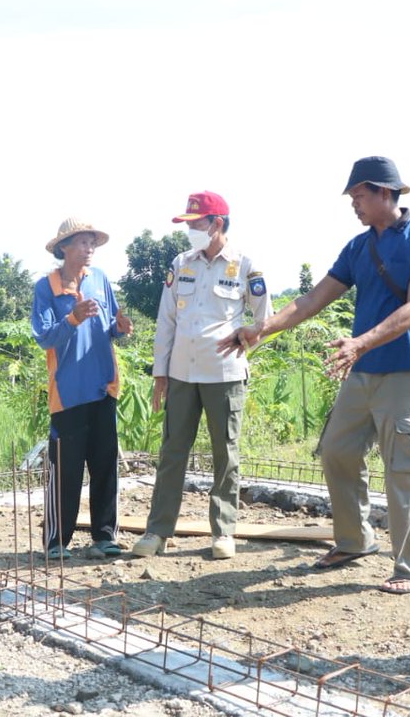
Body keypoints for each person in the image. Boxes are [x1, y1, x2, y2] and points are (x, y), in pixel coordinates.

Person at [219, 157, 410, 594]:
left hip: (405, 370)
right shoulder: (359, 248)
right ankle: (355, 540)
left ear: (384, 192)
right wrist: (259, 329)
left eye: (359, 195)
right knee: (337, 451)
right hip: (362, 372)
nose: (354, 204)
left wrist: (361, 342)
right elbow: (310, 302)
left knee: (405, 469)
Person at [131, 191, 271, 560]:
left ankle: (223, 532)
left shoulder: (245, 265)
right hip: (181, 374)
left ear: (217, 224)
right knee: (172, 452)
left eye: (196, 224)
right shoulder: (181, 263)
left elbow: (264, 319)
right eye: (188, 224)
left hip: (224, 374)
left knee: (225, 454)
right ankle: (157, 532)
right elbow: (167, 321)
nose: (190, 230)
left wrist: (247, 339)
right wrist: (160, 373)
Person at [31, 218, 133, 561]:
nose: (90, 249)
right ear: (64, 248)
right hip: (68, 391)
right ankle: (57, 541)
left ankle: (104, 536)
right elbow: (44, 337)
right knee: (66, 470)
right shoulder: (46, 288)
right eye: (83, 243)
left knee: (105, 464)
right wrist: (72, 318)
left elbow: (111, 327)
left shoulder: (100, 280)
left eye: (93, 243)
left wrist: (121, 328)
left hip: (103, 385)